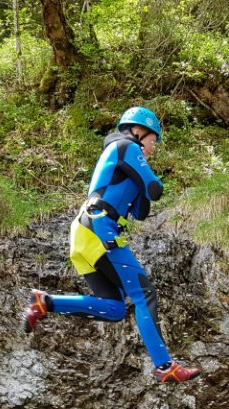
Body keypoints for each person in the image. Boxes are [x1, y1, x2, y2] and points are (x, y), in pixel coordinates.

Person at [23, 107, 200, 384]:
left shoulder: (125, 158)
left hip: (84, 233)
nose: (154, 148)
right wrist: (148, 178)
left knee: (115, 308)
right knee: (145, 294)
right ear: (139, 131)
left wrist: (143, 184)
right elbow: (155, 189)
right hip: (99, 228)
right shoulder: (126, 146)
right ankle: (166, 366)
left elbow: (141, 211)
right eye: (153, 140)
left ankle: (46, 303)